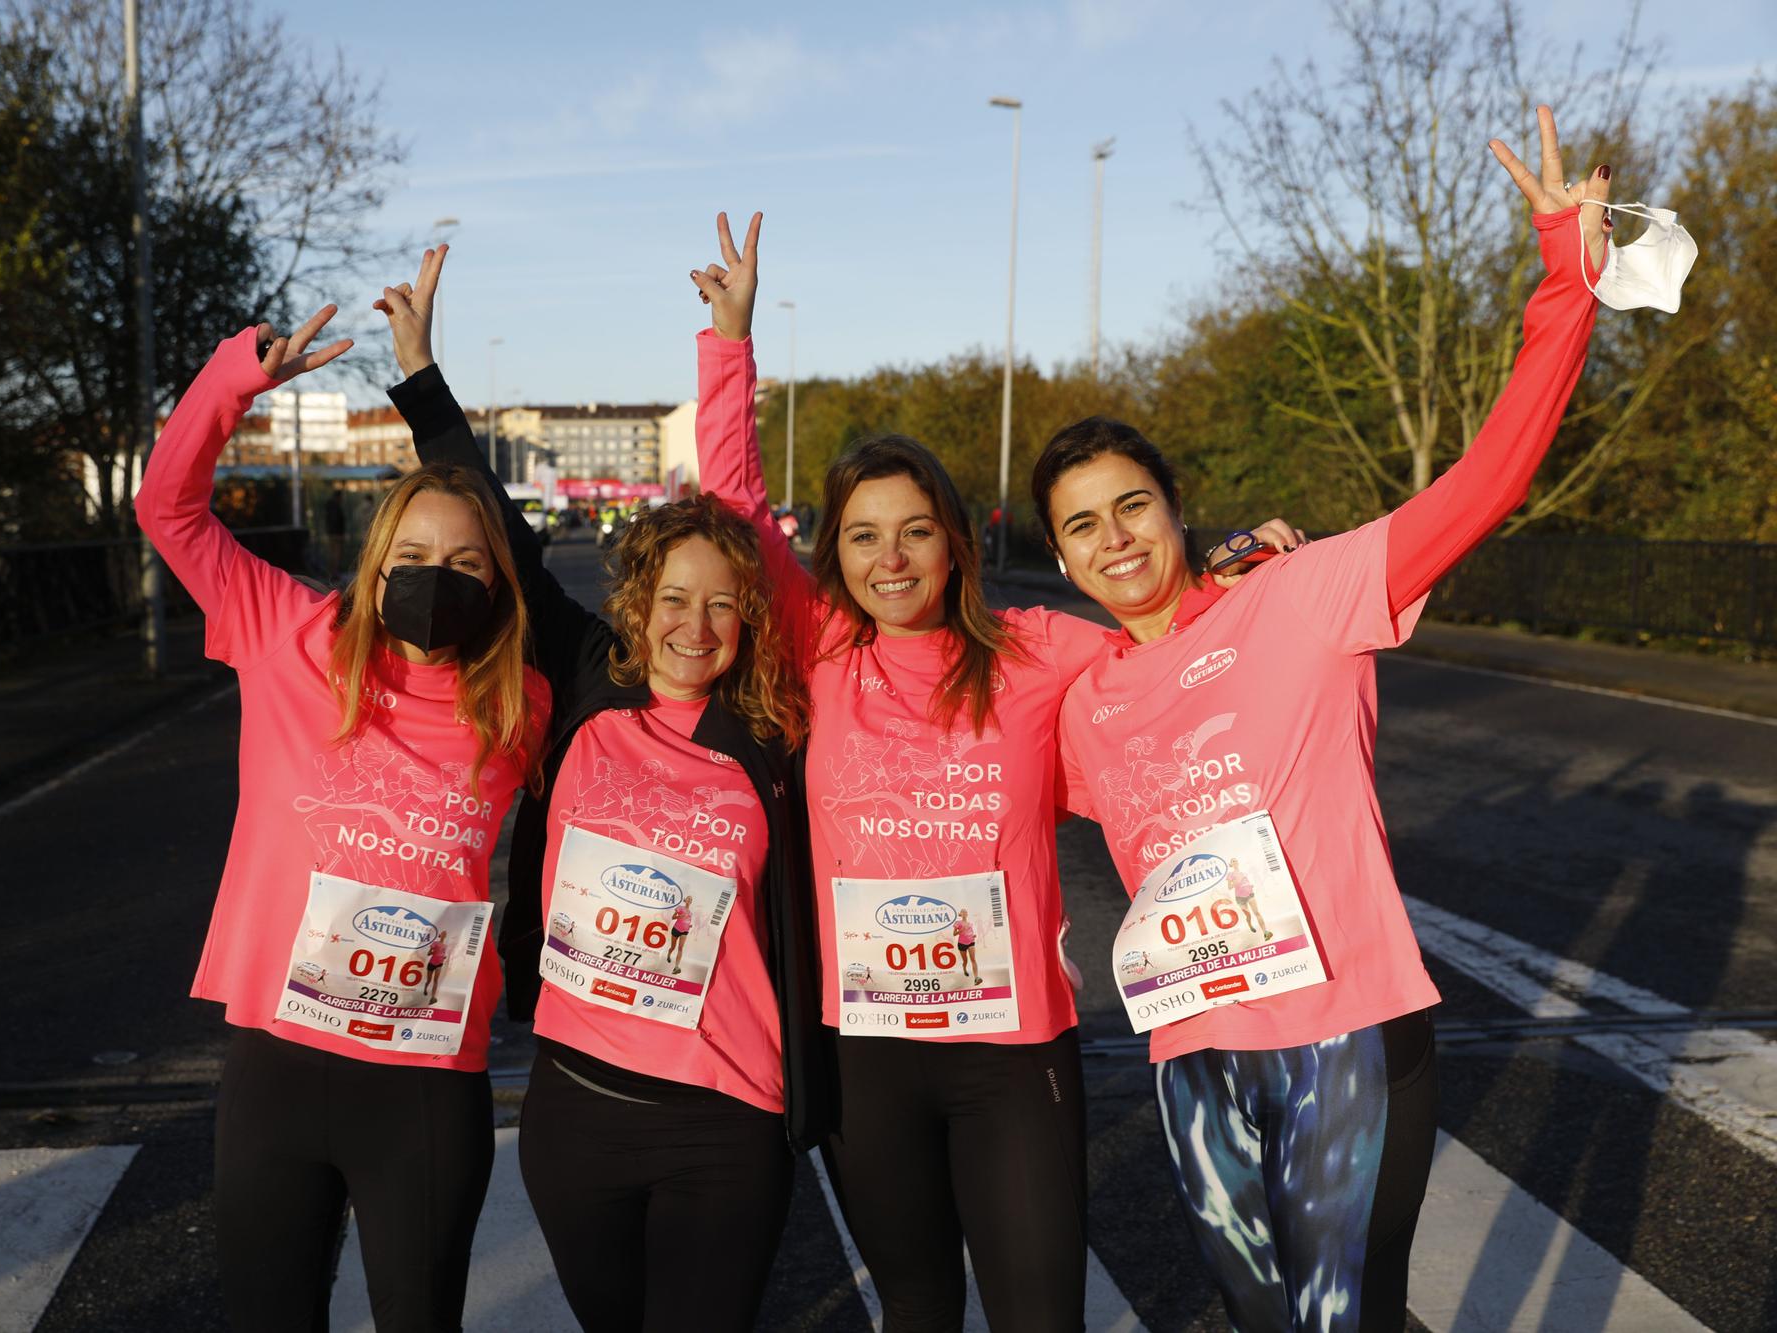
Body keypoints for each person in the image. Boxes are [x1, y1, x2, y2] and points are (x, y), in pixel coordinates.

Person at [1039, 108, 1612, 1332]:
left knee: (1335, 1319)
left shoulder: (1301, 594)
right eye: (1081, 525)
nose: (1113, 538)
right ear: (1060, 557)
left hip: (1342, 1036)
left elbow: (1487, 479)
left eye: (1132, 505)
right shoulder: (1080, 698)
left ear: (1176, 509)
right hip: (1191, 1057)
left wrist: (1563, 282)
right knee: (1264, 1319)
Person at [688, 212, 1300, 1331]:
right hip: (867, 1050)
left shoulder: (1033, 650)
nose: (890, 559)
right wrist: (727, 342)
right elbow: (732, 506)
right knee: (917, 1304)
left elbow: (1157, 640)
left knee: (1036, 1312)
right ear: (836, 554)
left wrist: (1237, 580)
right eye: (863, 536)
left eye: (915, 531)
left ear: (956, 542)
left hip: (1016, 1056)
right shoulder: (823, 651)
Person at [373, 246, 829, 1333]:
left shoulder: (770, 725)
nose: (695, 626)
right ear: (637, 599)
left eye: (723, 606)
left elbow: (742, 510)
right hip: (577, 1112)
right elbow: (507, 541)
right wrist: (421, 375)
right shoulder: (587, 678)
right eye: (674, 598)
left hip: (726, 1116)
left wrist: (728, 347)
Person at [134, 305, 551, 1332]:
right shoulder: (289, 635)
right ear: (375, 563)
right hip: (278, 1063)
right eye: (413, 554)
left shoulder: (521, 704)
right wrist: (233, 380)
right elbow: (169, 510)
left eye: (464, 565)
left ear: (497, 583)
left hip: (424, 1082)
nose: (434, 580)